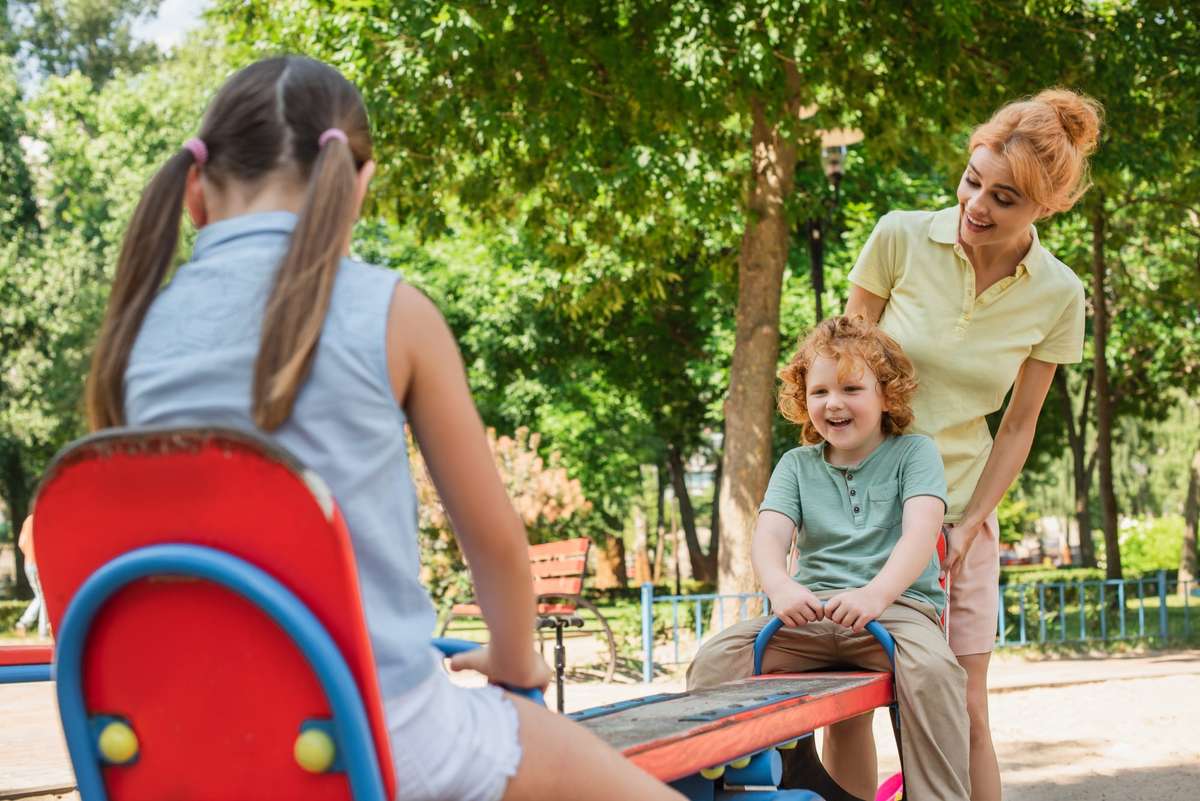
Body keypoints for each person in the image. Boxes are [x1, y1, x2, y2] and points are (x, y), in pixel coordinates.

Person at [79, 56, 682, 801]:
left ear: (195, 194)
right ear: (355, 186)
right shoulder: (393, 311)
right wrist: (515, 661)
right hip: (368, 735)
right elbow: (494, 543)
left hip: (175, 749)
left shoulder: (130, 337)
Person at [843, 88, 1100, 801]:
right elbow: (836, 371)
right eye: (972, 180)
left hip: (960, 521)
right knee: (850, 706)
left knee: (965, 708)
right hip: (861, 513)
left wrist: (968, 523)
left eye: (1004, 197)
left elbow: (1018, 425)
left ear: (1044, 207)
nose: (976, 205)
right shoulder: (899, 236)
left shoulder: (1058, 293)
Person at [686, 315, 970, 801]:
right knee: (718, 658)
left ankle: (938, 795)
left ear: (887, 395)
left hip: (895, 614)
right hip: (810, 617)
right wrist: (779, 586)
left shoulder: (914, 454)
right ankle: (719, 787)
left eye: (851, 388)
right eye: (818, 392)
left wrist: (876, 594)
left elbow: (920, 534)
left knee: (935, 673)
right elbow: (771, 534)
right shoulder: (797, 465)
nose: (833, 403)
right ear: (804, 400)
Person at [15, 515, 48, 637]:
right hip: (41, 563)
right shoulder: (45, 518)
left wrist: (29, 553)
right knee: (44, 597)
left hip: (28, 563)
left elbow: (21, 543)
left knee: (40, 596)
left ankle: (23, 623)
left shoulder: (28, 520)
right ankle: (42, 632)